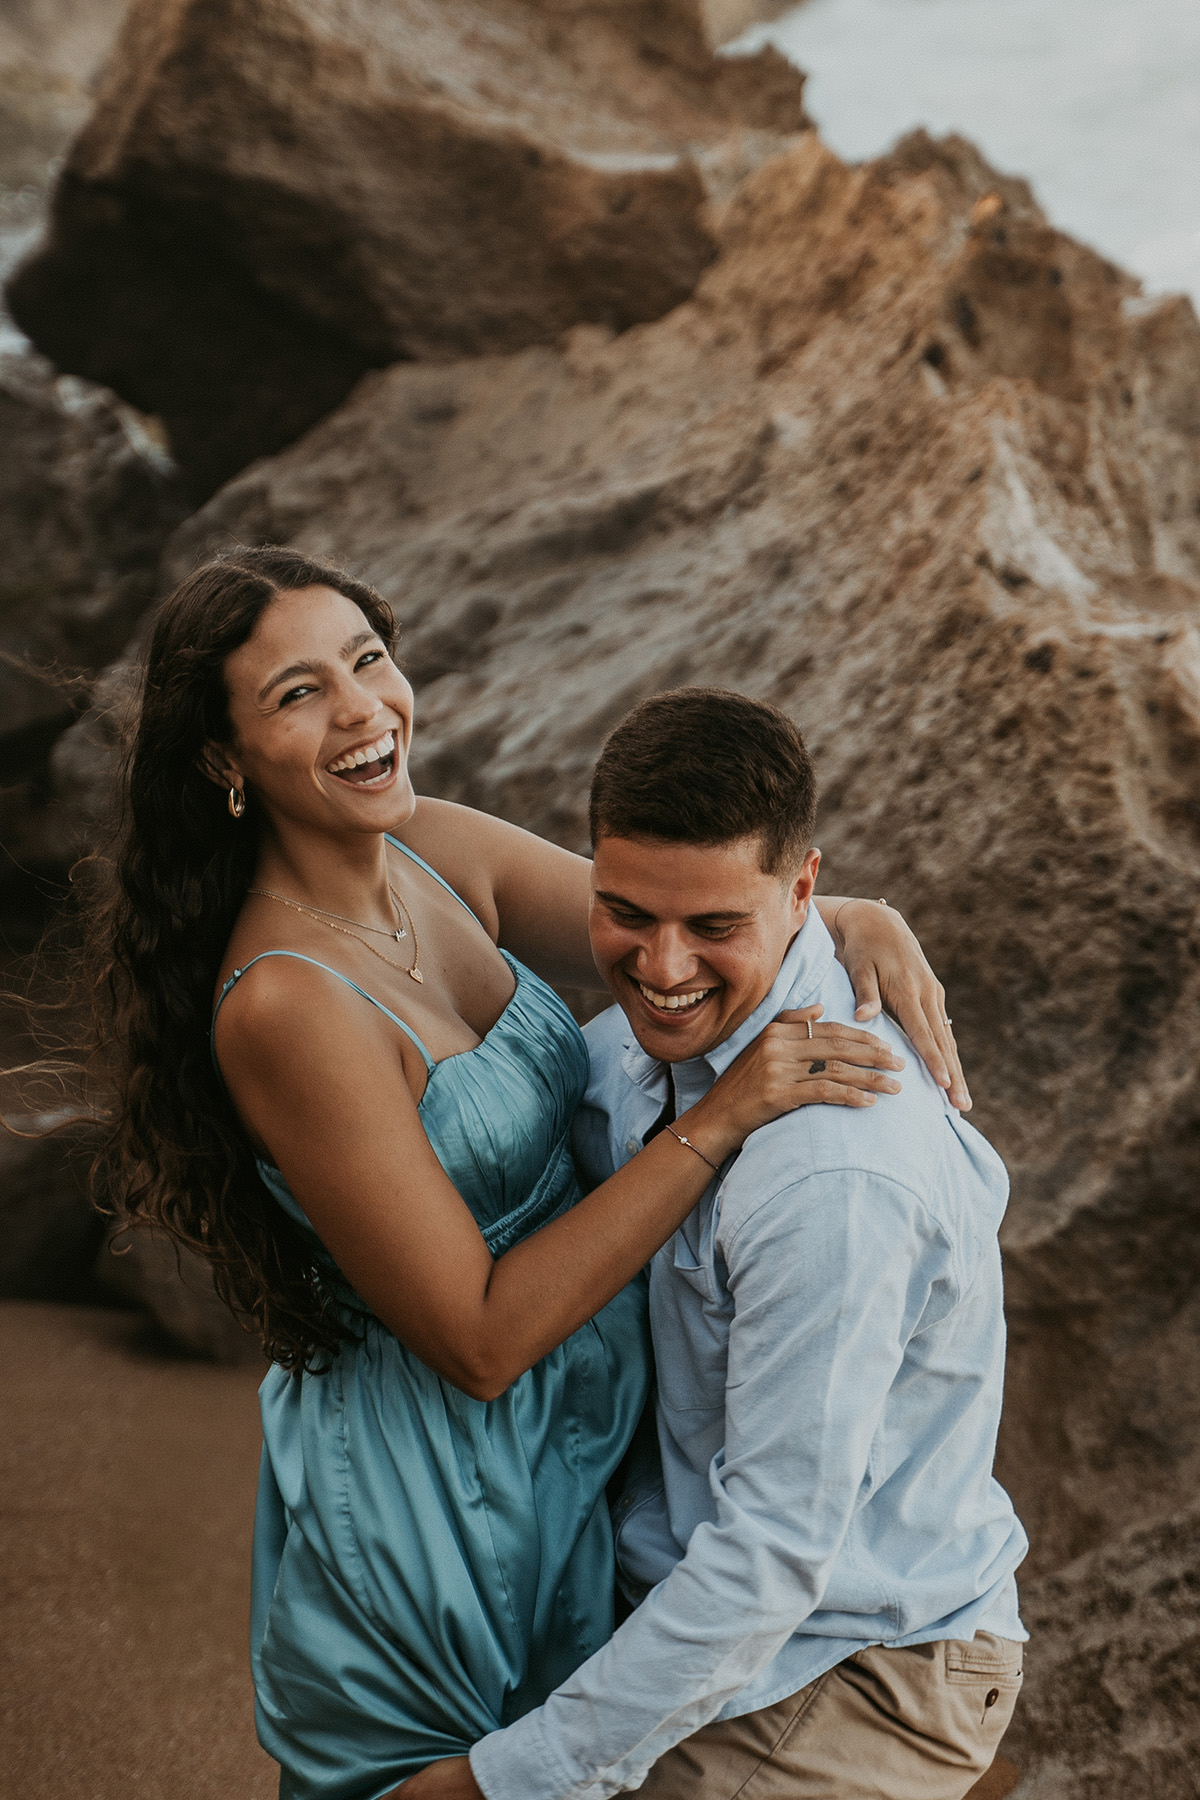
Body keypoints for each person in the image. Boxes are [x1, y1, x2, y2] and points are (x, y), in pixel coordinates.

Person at [93, 545, 968, 1800]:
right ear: (225, 762)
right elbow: (480, 1338)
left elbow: (662, 927)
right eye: (298, 694)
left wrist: (855, 914)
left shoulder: (438, 851)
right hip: (442, 1498)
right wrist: (718, 1123)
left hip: (585, 1460)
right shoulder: (289, 1004)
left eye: (368, 660)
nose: (361, 711)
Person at [401, 690, 1027, 1800]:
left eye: (715, 927)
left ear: (799, 891)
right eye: (626, 913)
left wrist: (507, 1780)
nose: (664, 965)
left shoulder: (832, 1174)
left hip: (854, 1654)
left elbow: (774, 1558)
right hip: (702, 1595)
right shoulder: (636, 1055)